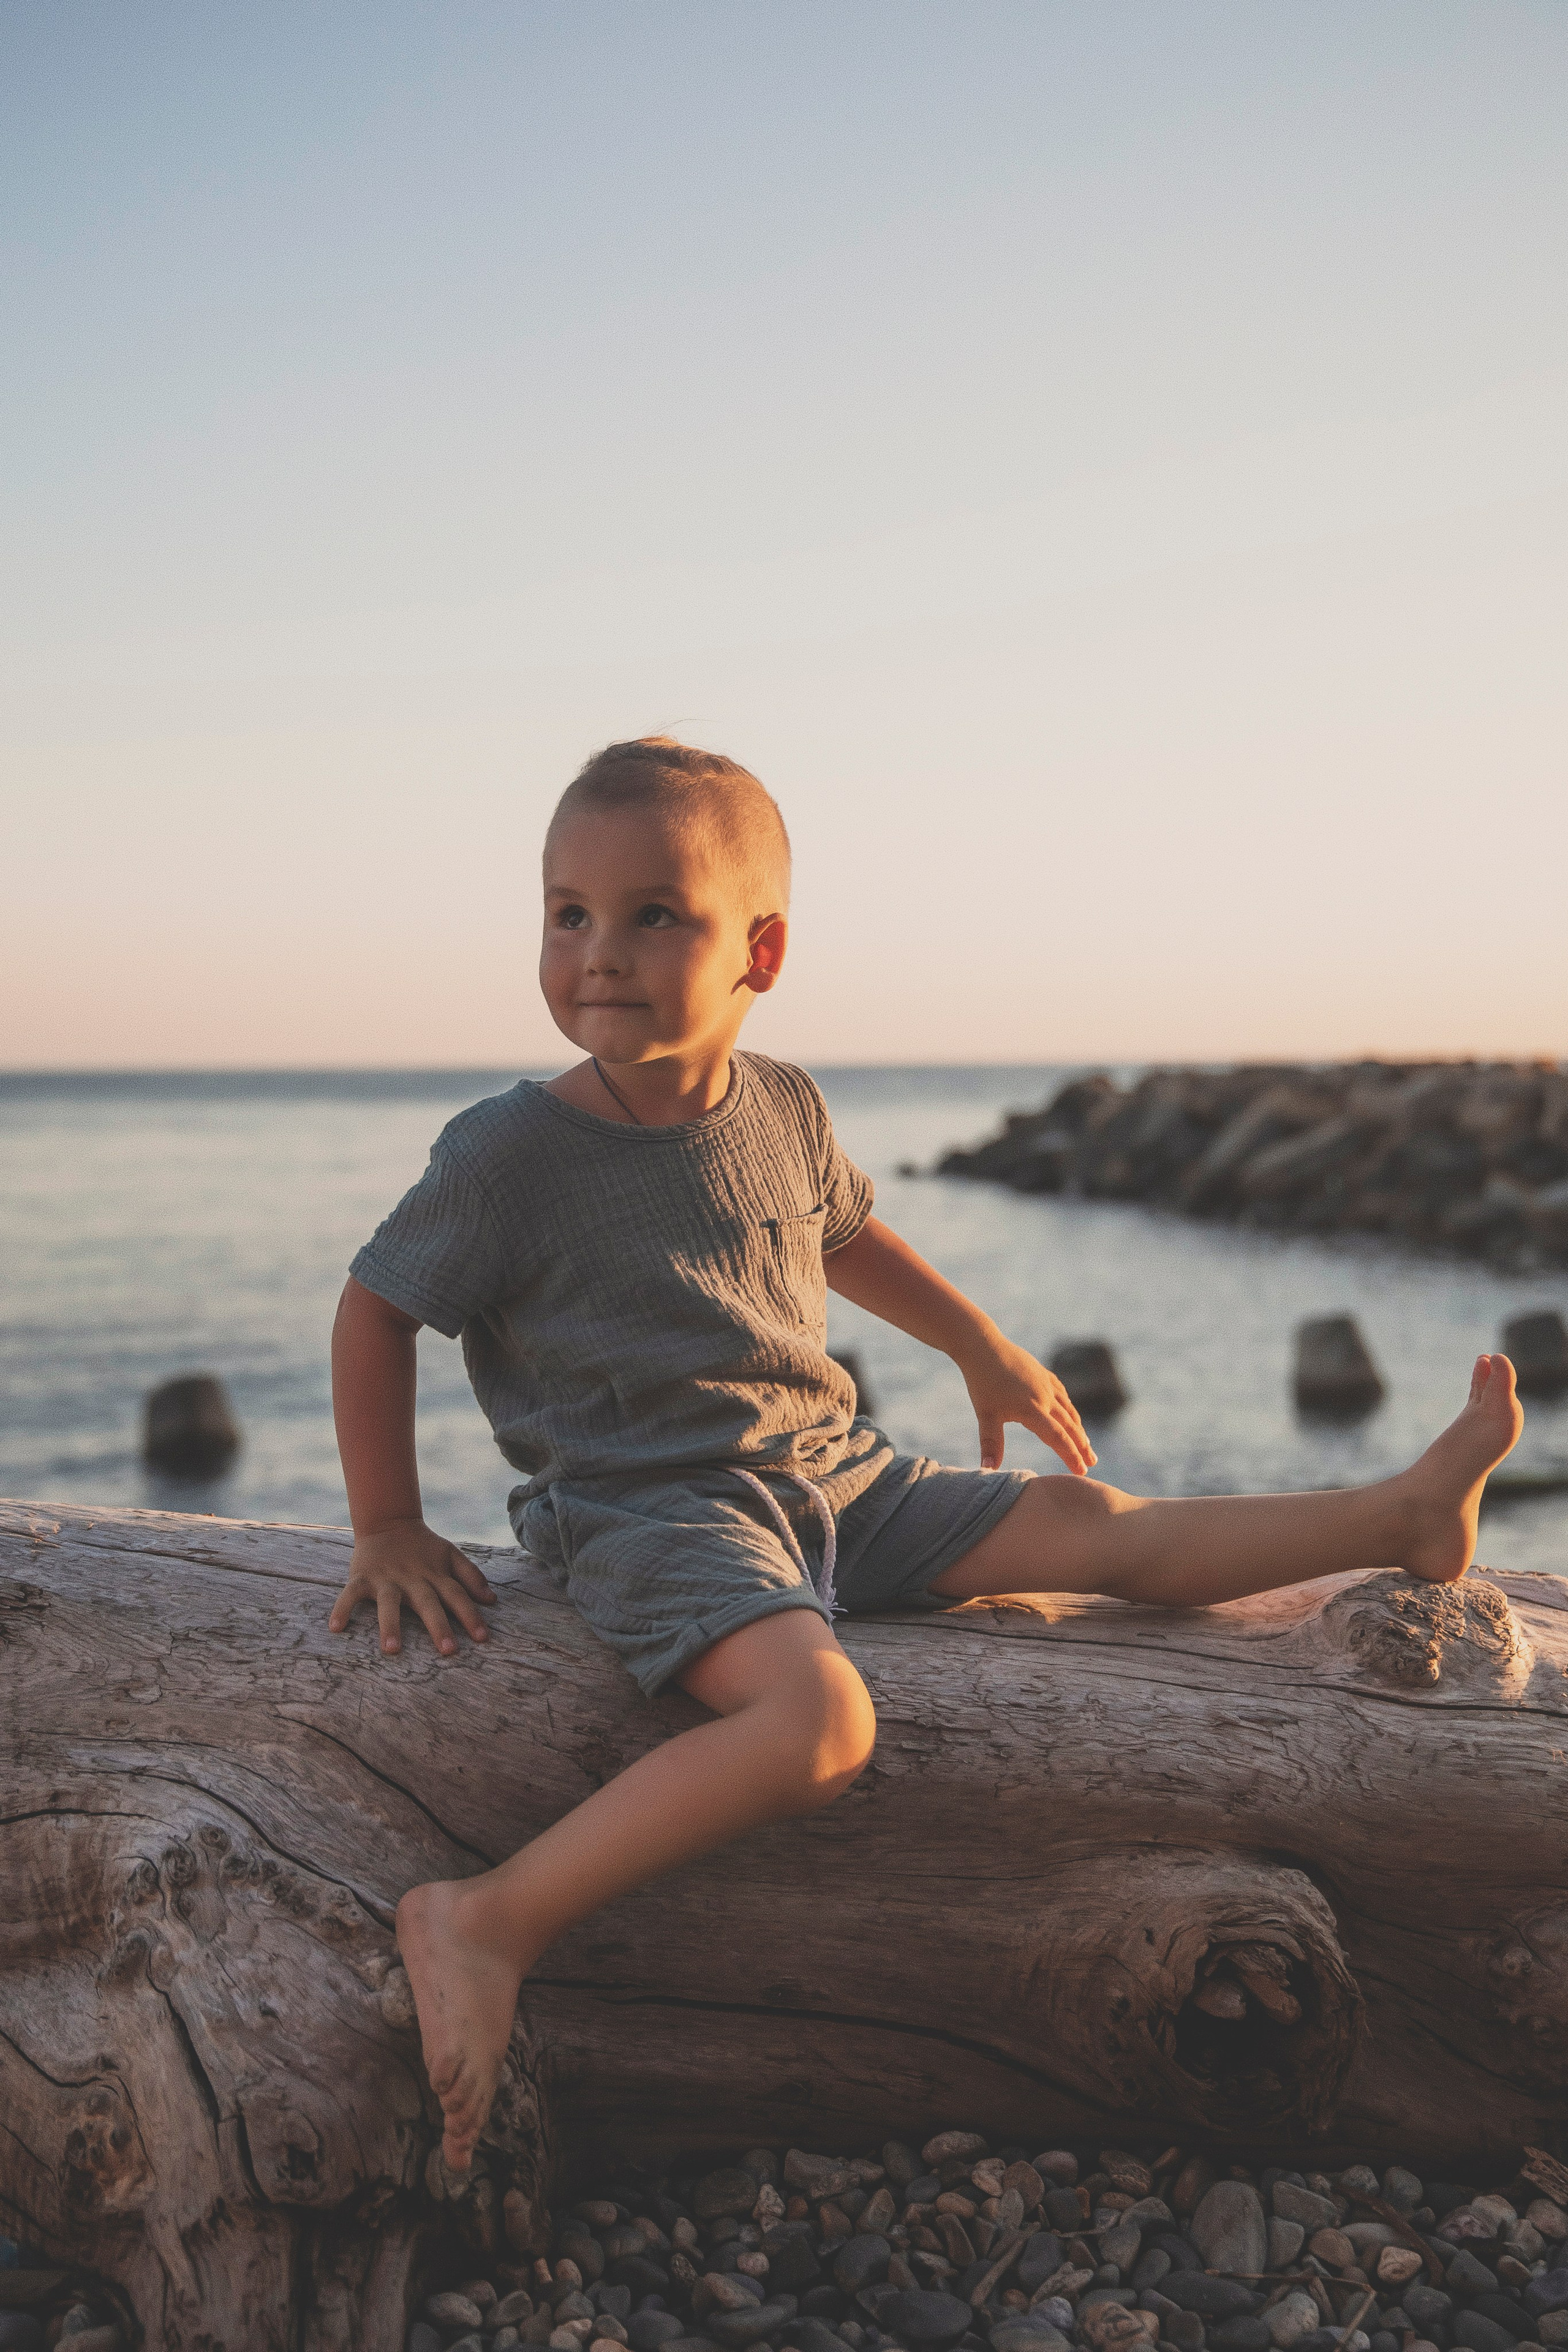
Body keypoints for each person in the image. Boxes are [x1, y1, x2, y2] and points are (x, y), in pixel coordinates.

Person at [330, 734, 1523, 2173]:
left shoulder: (779, 1102)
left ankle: (1397, 1518)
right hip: (652, 1510)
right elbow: (376, 1309)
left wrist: (979, 1347)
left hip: (830, 1474)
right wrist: (387, 1526)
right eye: (567, 913)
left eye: (653, 915)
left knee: (1090, 1520)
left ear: (759, 951)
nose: (598, 954)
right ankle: (486, 1920)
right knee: (818, 1724)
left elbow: (841, 1233)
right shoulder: (506, 1153)